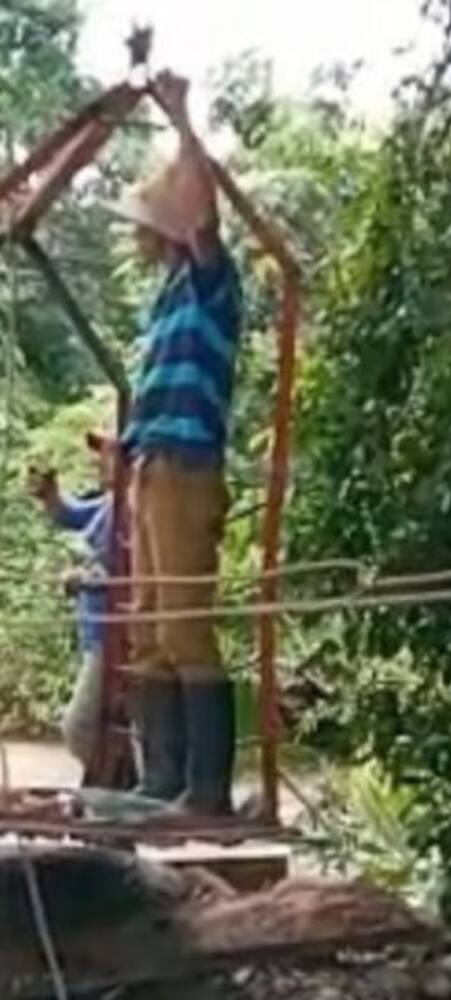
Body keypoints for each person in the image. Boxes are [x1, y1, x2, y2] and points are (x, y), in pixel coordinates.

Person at [107, 71, 243, 816]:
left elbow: (204, 213)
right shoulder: (164, 298)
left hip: (189, 467)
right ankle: (163, 780)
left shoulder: (210, 281)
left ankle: (208, 790)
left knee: (186, 628)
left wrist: (182, 117)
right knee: (151, 630)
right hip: (155, 466)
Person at [28, 435, 116, 776]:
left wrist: (85, 578)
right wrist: (50, 493)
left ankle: (107, 782)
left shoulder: (133, 507)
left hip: (112, 637)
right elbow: (70, 514)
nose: (100, 462)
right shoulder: (111, 502)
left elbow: (127, 569)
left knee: (78, 727)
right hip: (96, 634)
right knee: (97, 724)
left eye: (109, 454)